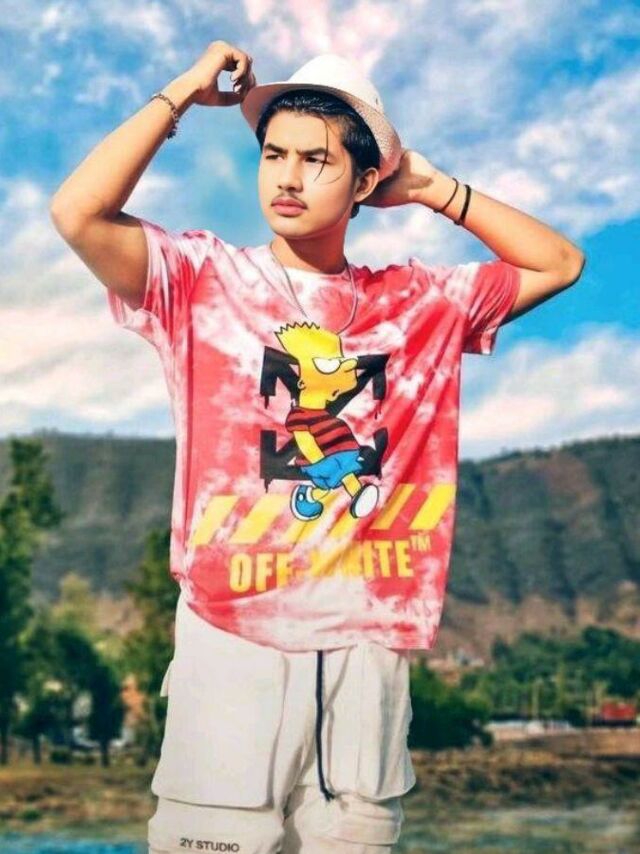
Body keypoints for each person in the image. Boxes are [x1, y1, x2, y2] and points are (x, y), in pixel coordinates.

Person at [50, 41, 586, 854]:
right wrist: (183, 92)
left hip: (364, 653)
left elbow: (562, 262)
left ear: (365, 183)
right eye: (273, 155)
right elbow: (78, 214)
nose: (288, 179)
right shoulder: (200, 280)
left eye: (316, 160)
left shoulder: (416, 303)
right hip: (231, 642)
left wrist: (432, 188)